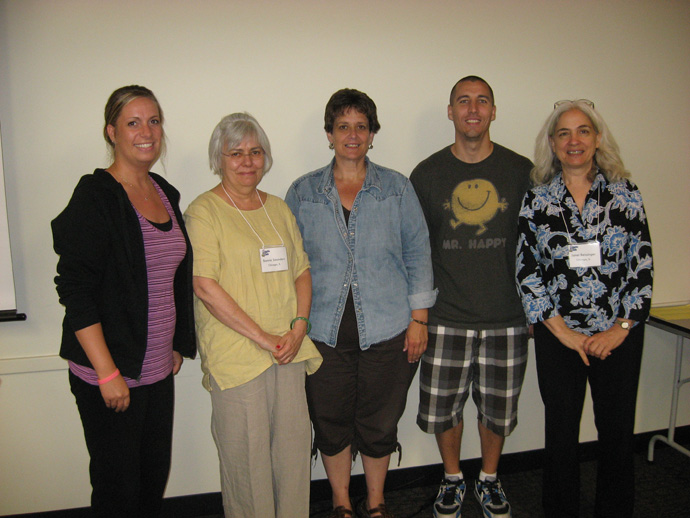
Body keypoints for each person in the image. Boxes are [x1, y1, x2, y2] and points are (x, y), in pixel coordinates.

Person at [286, 88, 436, 518]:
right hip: (322, 336)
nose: (352, 134)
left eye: (361, 126)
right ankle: (340, 502)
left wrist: (419, 320)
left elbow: (417, 252)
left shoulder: (396, 189)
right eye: (343, 126)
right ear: (329, 134)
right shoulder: (303, 192)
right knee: (330, 422)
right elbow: (291, 264)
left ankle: (375, 501)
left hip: (390, 330)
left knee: (379, 422)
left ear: (372, 134)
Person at [51, 85, 196, 518]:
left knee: (152, 483)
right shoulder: (95, 196)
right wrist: (107, 373)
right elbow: (74, 291)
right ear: (112, 131)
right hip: (111, 373)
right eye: (133, 122)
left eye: (154, 121)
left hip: (155, 370)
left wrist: (176, 342)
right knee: (118, 494)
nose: (146, 131)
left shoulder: (164, 192)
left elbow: (172, 278)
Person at [516, 99, 653, 518]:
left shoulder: (625, 194)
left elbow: (641, 265)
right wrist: (564, 333)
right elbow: (527, 270)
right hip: (559, 338)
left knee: (616, 434)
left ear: (597, 139)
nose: (574, 141)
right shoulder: (538, 199)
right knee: (560, 436)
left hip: (618, 337)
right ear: (553, 144)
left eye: (583, 131)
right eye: (564, 133)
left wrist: (621, 328)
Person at [184, 112, 322, 518]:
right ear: (219, 159)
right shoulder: (203, 212)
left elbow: (301, 270)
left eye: (255, 152)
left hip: (288, 349)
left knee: (294, 455)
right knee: (248, 463)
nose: (247, 161)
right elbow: (205, 285)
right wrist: (264, 338)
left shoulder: (278, 208)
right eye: (236, 153)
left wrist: (299, 327)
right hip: (239, 356)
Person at [409, 76, 532, 518]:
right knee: (445, 410)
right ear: (451, 111)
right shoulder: (426, 174)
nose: (473, 109)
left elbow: (536, 246)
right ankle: (453, 477)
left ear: (494, 111)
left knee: (498, 411)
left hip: (507, 317)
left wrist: (537, 308)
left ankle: (491, 479)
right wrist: (418, 316)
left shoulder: (522, 172)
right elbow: (415, 249)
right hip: (445, 317)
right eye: (464, 101)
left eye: (482, 101)